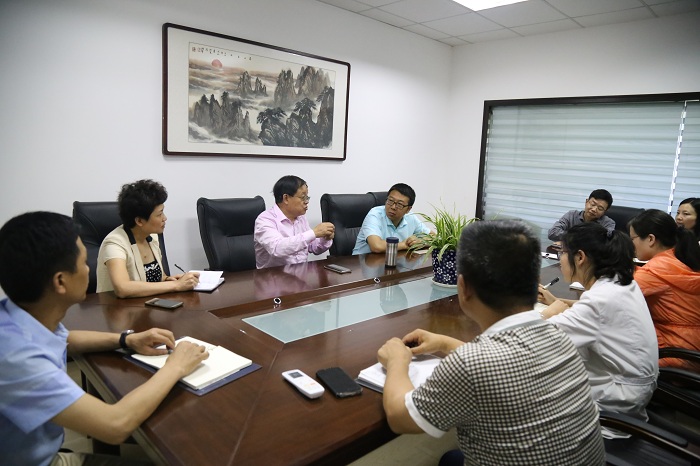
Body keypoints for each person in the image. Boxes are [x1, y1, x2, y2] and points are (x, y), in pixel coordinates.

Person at [377, 220, 604, 465]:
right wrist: (445, 343)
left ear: (463, 287)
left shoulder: (470, 365)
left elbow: (400, 418)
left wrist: (397, 361)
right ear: (534, 282)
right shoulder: (559, 335)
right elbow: (507, 364)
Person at [0, 211, 210, 466]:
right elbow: (115, 425)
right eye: (83, 262)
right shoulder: (16, 357)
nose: (89, 268)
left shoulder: (17, 317)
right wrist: (175, 366)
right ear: (60, 282)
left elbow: (65, 339)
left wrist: (126, 340)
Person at [538, 223, 658, 421]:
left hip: (614, 402)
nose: (560, 259)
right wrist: (555, 301)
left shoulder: (600, 300)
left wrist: (546, 314)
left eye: (563, 252)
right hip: (632, 384)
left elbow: (537, 338)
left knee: (531, 378)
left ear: (580, 257)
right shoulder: (619, 282)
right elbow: (594, 314)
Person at [96, 179, 199, 297]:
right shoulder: (114, 244)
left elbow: (153, 278)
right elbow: (122, 288)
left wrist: (168, 279)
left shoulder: (151, 237)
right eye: (159, 214)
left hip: (150, 304)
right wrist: (176, 285)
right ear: (139, 221)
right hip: (116, 307)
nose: (164, 218)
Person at [629, 209, 700, 369]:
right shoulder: (680, 256)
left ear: (650, 239)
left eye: (632, 238)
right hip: (691, 346)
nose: (631, 244)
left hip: (675, 353)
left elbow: (611, 299)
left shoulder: (657, 269)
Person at [254, 175, 334, 269]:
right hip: (273, 276)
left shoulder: (301, 218)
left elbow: (313, 248)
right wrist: (313, 233)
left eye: (307, 197)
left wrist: (325, 238)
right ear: (286, 198)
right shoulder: (265, 220)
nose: (306, 201)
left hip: (301, 275)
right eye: (303, 197)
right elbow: (277, 248)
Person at [352, 183, 430, 255]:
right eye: (390, 201)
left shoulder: (411, 217)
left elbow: (433, 238)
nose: (393, 207)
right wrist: (404, 245)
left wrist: (420, 242)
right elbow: (376, 246)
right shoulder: (375, 215)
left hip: (393, 260)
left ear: (408, 209)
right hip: (360, 262)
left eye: (399, 204)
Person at [548, 189, 615, 242]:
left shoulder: (608, 223)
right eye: (593, 204)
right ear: (586, 201)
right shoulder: (572, 215)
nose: (594, 209)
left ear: (605, 211)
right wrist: (580, 238)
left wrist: (568, 239)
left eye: (600, 208)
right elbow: (552, 232)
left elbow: (606, 242)